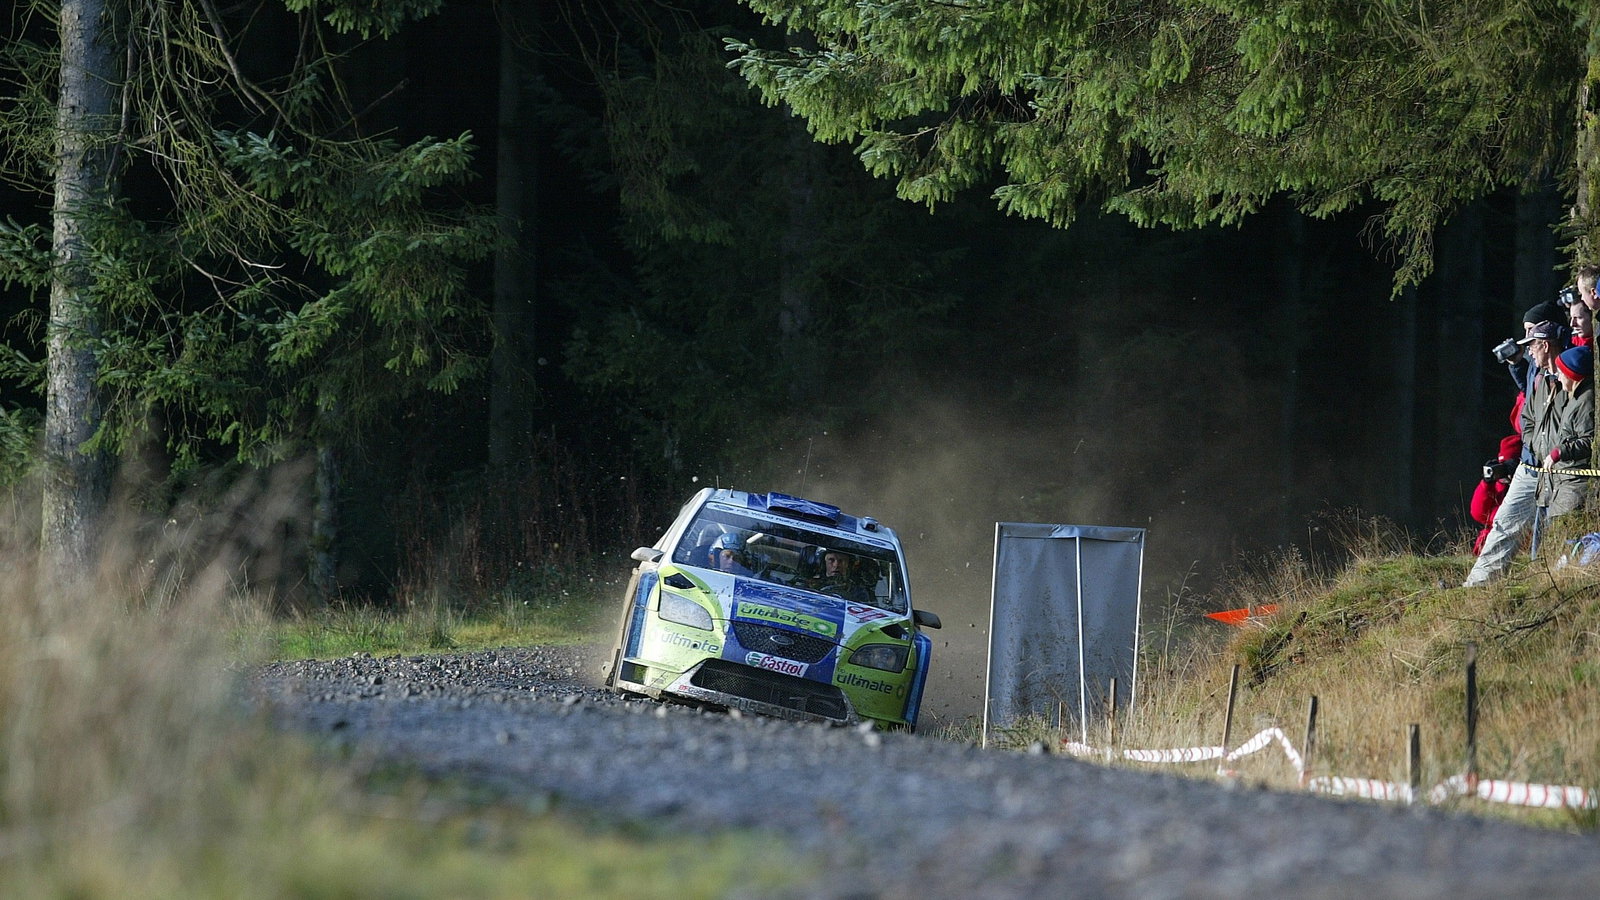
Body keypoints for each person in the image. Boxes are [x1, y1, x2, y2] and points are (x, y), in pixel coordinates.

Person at [1464, 319, 1570, 586]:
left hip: (1560, 469)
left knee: (1557, 531)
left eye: (1532, 344)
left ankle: (1546, 585)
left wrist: (1553, 452)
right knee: (1504, 524)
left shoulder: (1570, 375)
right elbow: (1528, 420)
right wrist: (1534, 448)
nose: (1529, 351)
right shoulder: (1539, 377)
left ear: (1545, 345)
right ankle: (1477, 586)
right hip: (1531, 465)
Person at [1538, 345, 1595, 520]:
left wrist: (1558, 452)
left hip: (1575, 486)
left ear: (1572, 374)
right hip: (1564, 483)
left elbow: (1588, 440)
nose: (1559, 377)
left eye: (1562, 373)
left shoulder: (1586, 401)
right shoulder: (1574, 397)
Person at [1469, 434, 1521, 556]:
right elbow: (1478, 514)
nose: (1505, 471)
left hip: (1520, 540)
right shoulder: (1496, 486)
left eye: (1509, 465)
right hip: (1493, 538)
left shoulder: (1531, 483)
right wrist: (1487, 484)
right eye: (1502, 465)